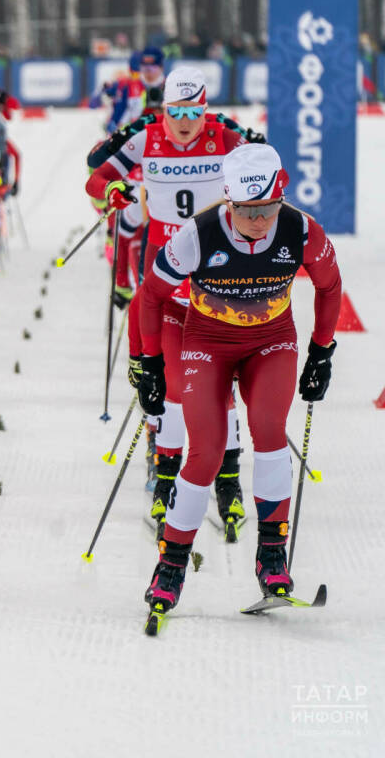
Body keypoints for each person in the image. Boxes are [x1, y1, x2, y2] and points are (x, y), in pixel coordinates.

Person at [137, 143, 341, 617]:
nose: (258, 220)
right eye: (247, 211)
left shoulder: (302, 230)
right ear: (229, 202)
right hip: (206, 342)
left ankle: (272, 556)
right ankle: (170, 566)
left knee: (269, 430)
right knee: (205, 453)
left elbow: (330, 287)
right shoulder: (196, 235)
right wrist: (149, 363)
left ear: (281, 197)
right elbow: (150, 295)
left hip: (271, 340)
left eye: (268, 208)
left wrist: (322, 352)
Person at [86, 68, 253, 538]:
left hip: (221, 281)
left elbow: (269, 179)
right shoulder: (146, 139)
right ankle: (164, 480)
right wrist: (114, 191)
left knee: (223, 389)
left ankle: (228, 483)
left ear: (205, 109)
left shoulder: (224, 138)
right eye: (175, 113)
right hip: (164, 281)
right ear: (163, 111)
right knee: (175, 388)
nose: (183, 122)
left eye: (193, 112)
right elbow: (96, 178)